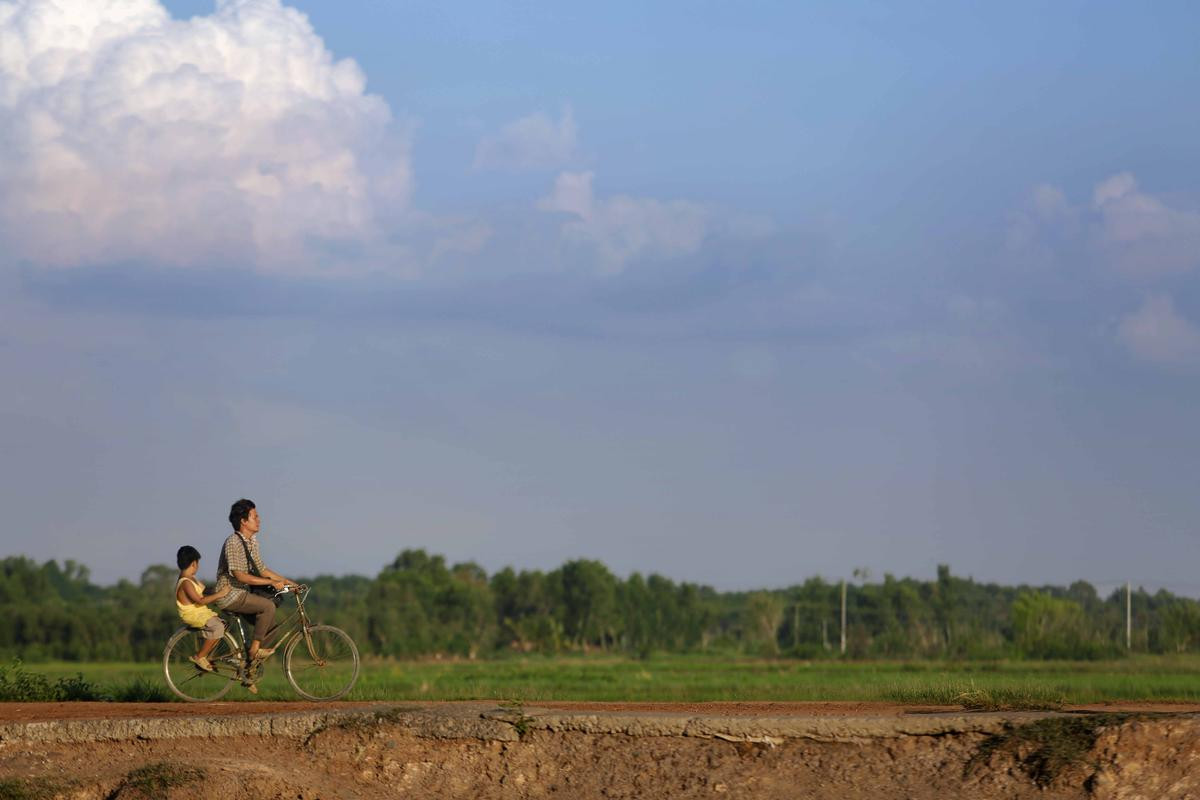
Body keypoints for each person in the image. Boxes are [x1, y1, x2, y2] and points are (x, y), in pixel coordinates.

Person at [214, 499, 297, 665]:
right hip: (230, 594)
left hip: (243, 594)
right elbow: (241, 576)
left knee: (272, 626)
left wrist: (287, 582)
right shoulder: (234, 542)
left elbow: (262, 569)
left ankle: (249, 666)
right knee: (268, 607)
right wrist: (272, 583)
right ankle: (254, 650)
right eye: (255, 516)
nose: (259, 520)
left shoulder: (252, 542)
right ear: (243, 521)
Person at [175, 545, 230, 672]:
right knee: (218, 627)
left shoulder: (191, 579)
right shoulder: (186, 583)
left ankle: (207, 655)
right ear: (194, 563)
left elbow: (205, 590)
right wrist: (220, 594)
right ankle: (199, 656)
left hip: (200, 611)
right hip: (193, 615)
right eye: (198, 563)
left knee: (223, 624)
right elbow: (200, 600)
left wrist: (222, 587)